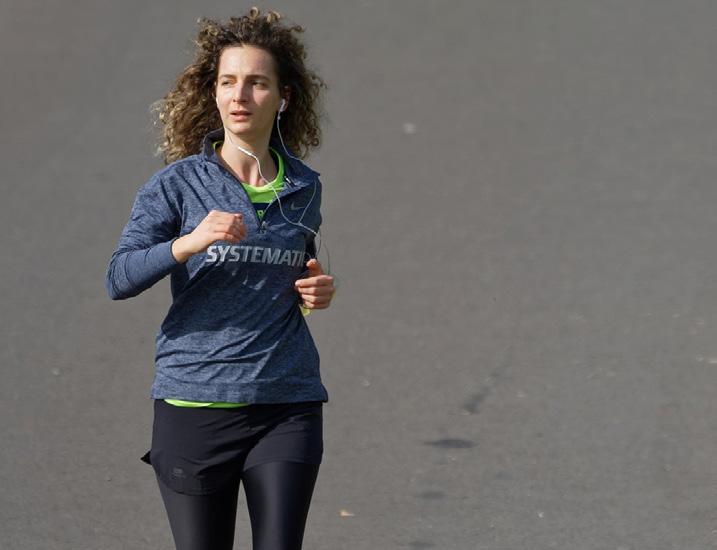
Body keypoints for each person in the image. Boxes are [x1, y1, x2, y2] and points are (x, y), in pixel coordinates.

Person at [105, 8, 336, 549]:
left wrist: (316, 292)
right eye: (228, 82)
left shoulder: (304, 186)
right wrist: (188, 242)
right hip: (195, 404)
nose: (240, 95)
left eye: (257, 83)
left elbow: (291, 273)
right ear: (212, 93)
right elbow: (119, 277)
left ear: (283, 98)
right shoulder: (177, 186)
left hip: (286, 401)